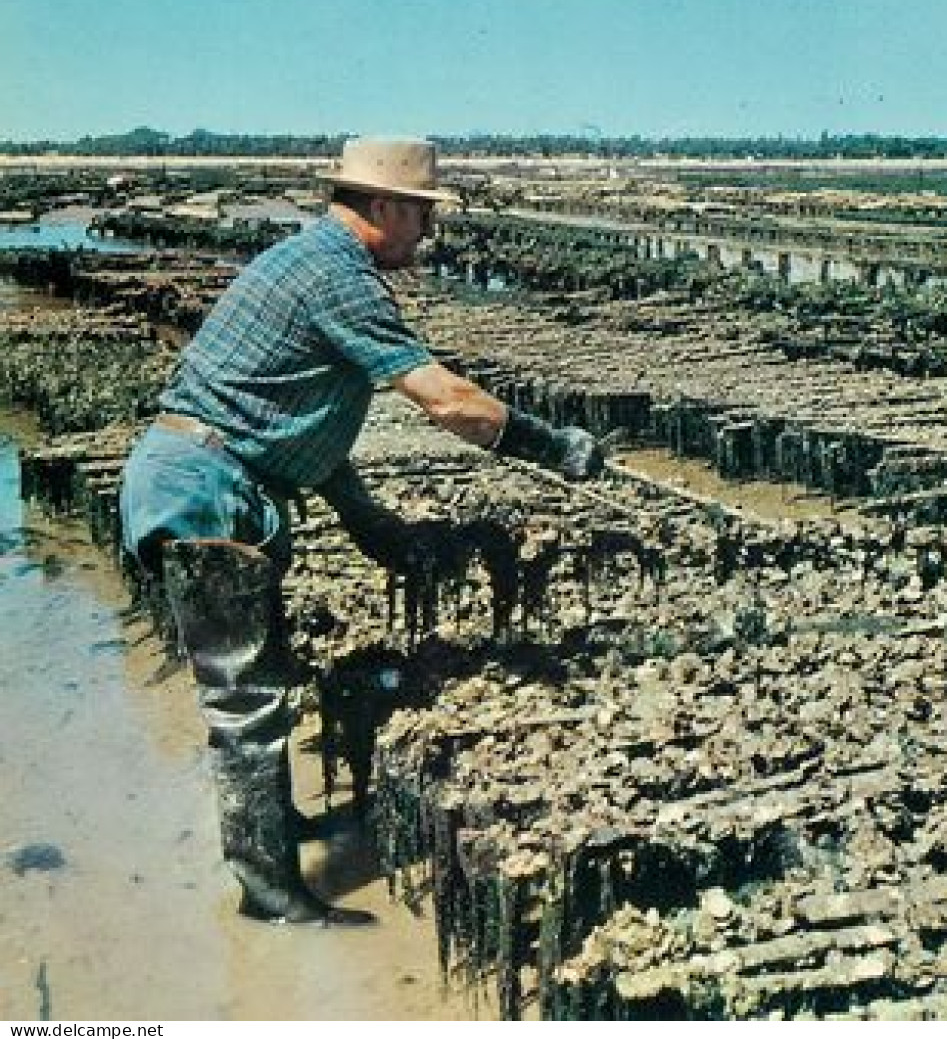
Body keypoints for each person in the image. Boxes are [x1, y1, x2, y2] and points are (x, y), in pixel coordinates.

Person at [118, 137, 601, 926]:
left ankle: (280, 833)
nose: (427, 233)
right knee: (245, 700)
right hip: (203, 495)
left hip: (207, 478)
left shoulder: (307, 262)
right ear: (381, 207)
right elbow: (446, 401)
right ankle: (269, 898)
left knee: (260, 676)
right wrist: (555, 446)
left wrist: (368, 521)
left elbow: (288, 421)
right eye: (420, 214)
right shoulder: (341, 280)